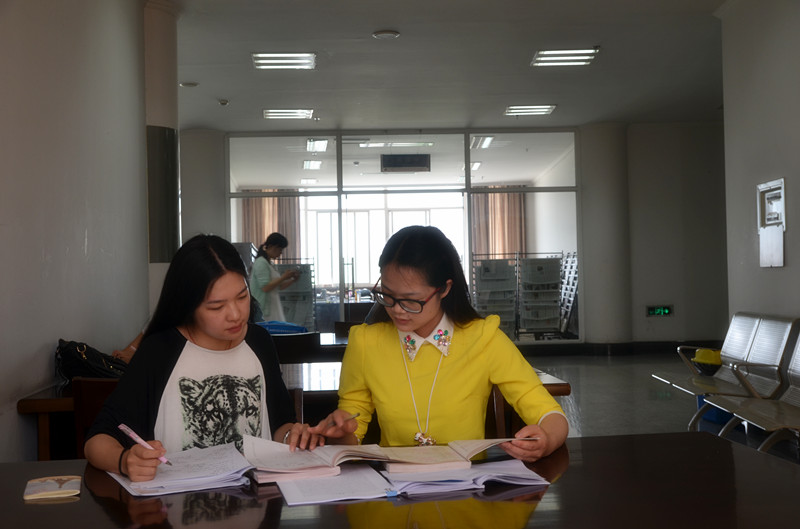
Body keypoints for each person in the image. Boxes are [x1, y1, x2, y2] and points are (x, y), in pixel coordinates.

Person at [310, 226, 568, 462]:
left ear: (444, 289)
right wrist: (341, 432)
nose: (397, 309)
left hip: (468, 487)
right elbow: (352, 425)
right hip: (397, 487)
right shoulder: (366, 342)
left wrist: (546, 440)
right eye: (387, 295)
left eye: (411, 300)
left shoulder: (483, 338)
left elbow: (547, 411)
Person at [85, 234, 318, 482]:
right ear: (188, 306)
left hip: (255, 497)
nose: (236, 314)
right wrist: (124, 461)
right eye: (217, 306)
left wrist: (293, 435)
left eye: (242, 296)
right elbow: (96, 442)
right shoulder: (161, 350)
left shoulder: (259, 342)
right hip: (177, 499)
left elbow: (280, 424)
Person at [249, 232, 301, 322]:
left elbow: (279, 286)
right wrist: (284, 277)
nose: (281, 253)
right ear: (272, 246)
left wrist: (292, 280)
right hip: (264, 308)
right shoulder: (261, 262)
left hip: (273, 306)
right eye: (280, 249)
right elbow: (265, 287)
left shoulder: (271, 264)